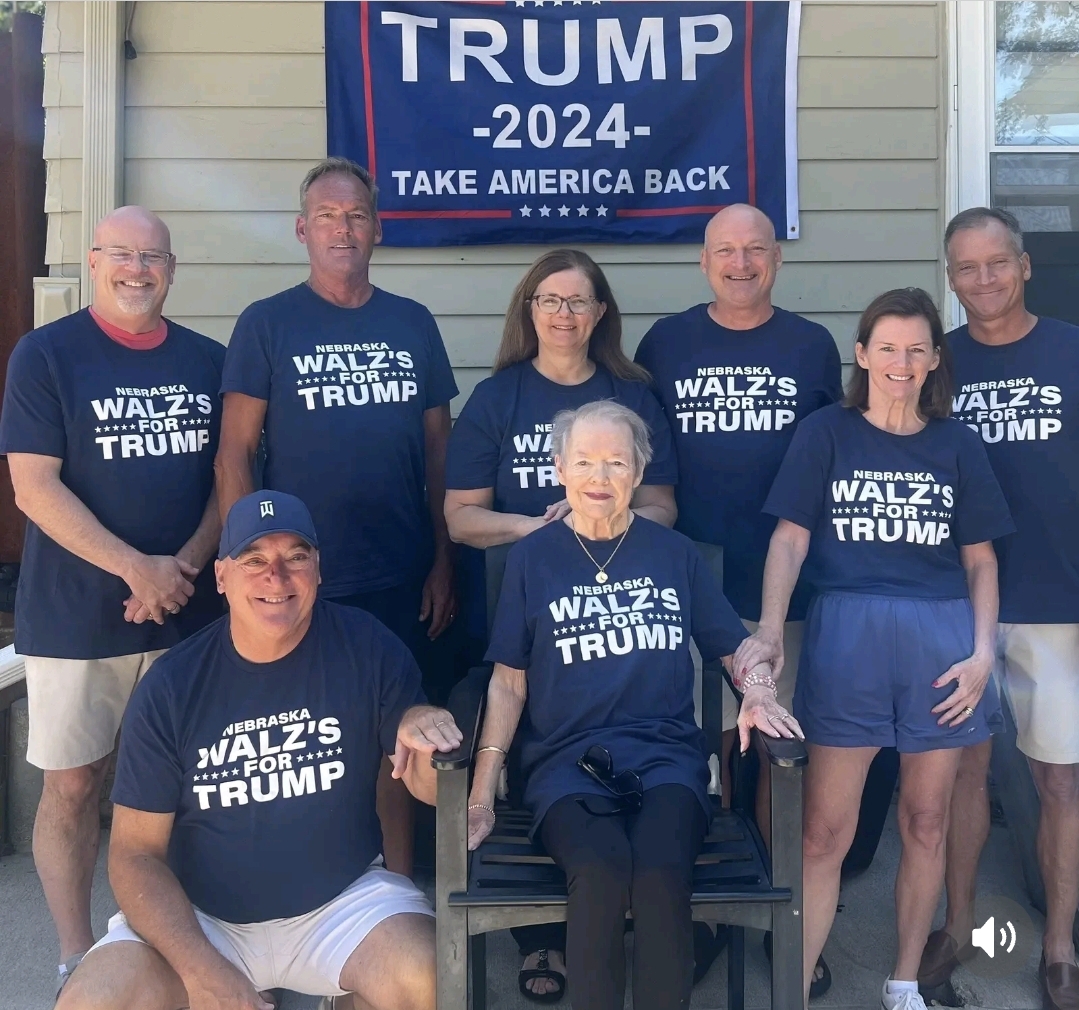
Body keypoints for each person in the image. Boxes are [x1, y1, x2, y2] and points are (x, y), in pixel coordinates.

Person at [56, 490, 463, 1010]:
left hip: (341, 904)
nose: (277, 577)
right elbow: (135, 856)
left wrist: (427, 731)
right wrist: (205, 972)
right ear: (221, 577)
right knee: (92, 1001)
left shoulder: (367, 646)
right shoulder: (172, 685)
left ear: (318, 569)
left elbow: (426, 782)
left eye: (296, 556)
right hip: (203, 918)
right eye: (254, 560)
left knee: (433, 980)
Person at [465, 400, 800, 1010]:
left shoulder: (673, 554)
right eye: (584, 461)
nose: (600, 477)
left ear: (639, 471)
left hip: (667, 760)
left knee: (661, 873)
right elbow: (508, 683)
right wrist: (482, 795)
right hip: (564, 764)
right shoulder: (532, 559)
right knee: (599, 872)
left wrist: (756, 688)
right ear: (559, 468)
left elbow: (734, 648)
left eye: (617, 462)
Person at [734, 287, 1014, 1010]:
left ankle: (902, 981)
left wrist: (983, 654)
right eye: (887, 347)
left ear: (934, 359)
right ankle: (794, 989)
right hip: (847, 636)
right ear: (861, 354)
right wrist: (770, 628)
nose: (901, 362)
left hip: (939, 641)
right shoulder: (825, 432)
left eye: (916, 349)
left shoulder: (957, 443)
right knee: (823, 832)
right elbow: (789, 539)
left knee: (925, 820)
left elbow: (981, 560)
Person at [214, 156, 459, 877]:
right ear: (303, 230)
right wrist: (242, 568)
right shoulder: (267, 323)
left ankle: (400, 884)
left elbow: (439, 453)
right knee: (306, 739)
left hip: (401, 572)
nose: (342, 229)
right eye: (327, 216)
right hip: (296, 579)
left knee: (399, 737)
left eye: (356, 215)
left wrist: (444, 560)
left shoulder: (412, 322)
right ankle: (304, 881)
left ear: (377, 228)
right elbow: (234, 454)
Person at [0, 206, 224, 994]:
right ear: (94, 261)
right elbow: (33, 487)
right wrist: (136, 570)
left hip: (189, 612)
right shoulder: (46, 355)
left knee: (193, 789)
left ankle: (186, 945)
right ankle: (75, 954)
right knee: (72, 784)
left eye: (153, 257)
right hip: (75, 616)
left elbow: (228, 480)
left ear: (172, 270)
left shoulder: (208, 361)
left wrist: (180, 569)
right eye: (122, 254)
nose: (138, 270)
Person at [443, 248, 678, 1000]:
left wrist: (602, 529)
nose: (564, 314)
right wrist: (542, 530)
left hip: (617, 617)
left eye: (578, 301)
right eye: (549, 300)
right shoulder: (497, 398)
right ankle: (543, 942)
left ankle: (619, 931)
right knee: (541, 771)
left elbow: (663, 506)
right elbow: (459, 517)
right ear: (530, 309)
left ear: (600, 312)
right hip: (524, 614)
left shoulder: (631, 395)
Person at [634, 204, 841, 995]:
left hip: (781, 587)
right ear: (704, 261)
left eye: (756, 249)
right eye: (726, 250)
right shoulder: (665, 342)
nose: (742, 262)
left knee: (773, 752)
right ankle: (702, 912)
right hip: (684, 585)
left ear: (776, 260)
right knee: (704, 751)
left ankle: (776, 910)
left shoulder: (810, 346)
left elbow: (831, 463)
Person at [917, 208, 1079, 1010]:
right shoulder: (933, 363)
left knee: (1059, 781)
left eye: (995, 263)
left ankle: (1057, 947)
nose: (981, 280)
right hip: (956, 602)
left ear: (1023, 266)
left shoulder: (1070, 350)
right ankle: (955, 927)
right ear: (949, 277)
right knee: (963, 777)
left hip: (1057, 597)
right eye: (965, 267)